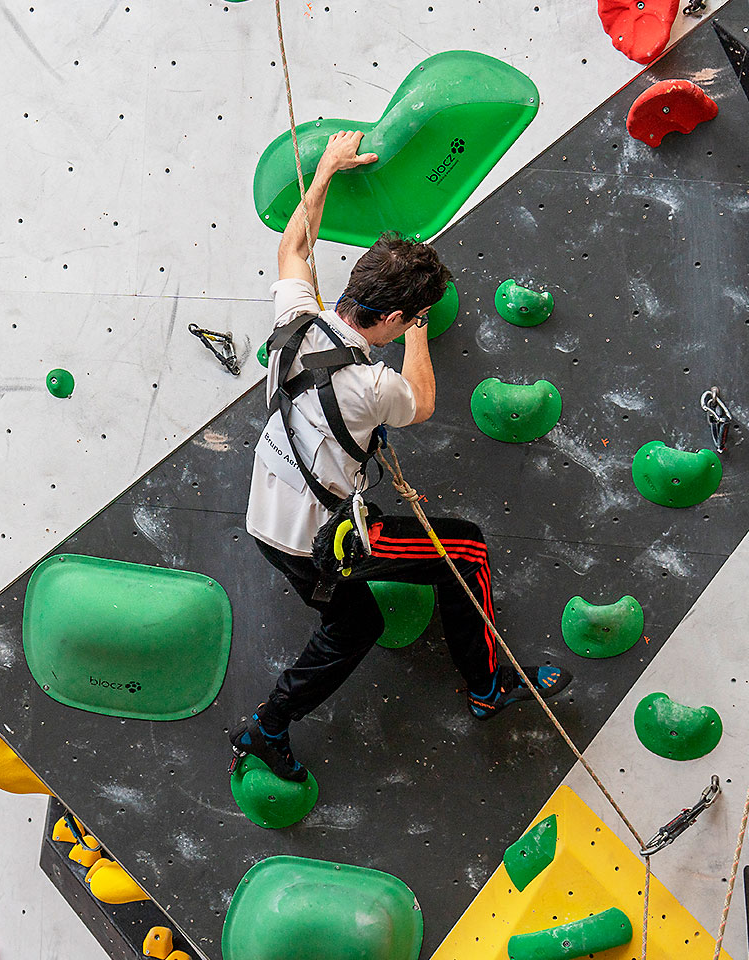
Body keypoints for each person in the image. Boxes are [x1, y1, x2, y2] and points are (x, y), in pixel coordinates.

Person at [230, 131, 571, 782]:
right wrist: (418, 333)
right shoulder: (372, 387)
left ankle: (267, 726)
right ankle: (487, 688)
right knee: (464, 552)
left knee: (354, 626)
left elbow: (294, 246)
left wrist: (327, 167)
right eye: (409, 316)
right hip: (321, 539)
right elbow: (420, 400)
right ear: (392, 317)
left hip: (268, 519)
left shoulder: (296, 318)